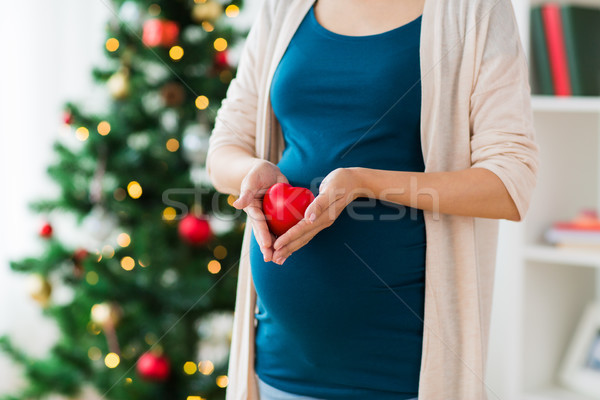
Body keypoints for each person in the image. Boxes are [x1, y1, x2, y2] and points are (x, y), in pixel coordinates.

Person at [206, 0, 540, 399]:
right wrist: (250, 175)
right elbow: (225, 145)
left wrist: (365, 183)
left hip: (400, 373)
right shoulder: (283, 7)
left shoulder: (473, 10)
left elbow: (509, 181)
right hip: (277, 367)